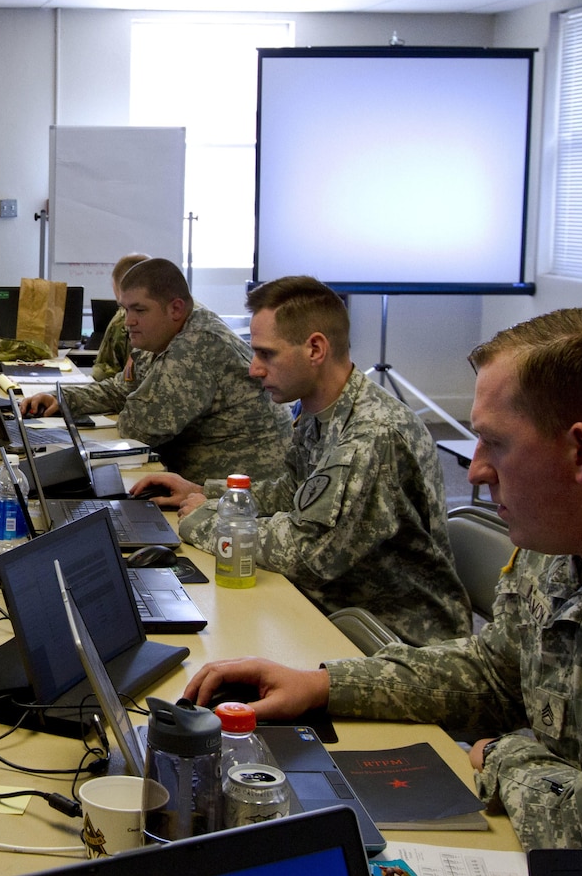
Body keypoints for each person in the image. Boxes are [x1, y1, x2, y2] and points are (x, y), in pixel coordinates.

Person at [182, 307, 582, 849]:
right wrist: (322, 685)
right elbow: (495, 672)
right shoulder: (563, 529)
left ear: (581, 452)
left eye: (497, 443)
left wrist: (504, 754)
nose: (474, 471)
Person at [133, 275, 467, 645]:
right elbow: (294, 492)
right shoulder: (321, 410)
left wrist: (203, 520)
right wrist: (211, 494)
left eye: (267, 354)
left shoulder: (372, 434)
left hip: (395, 639)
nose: (254, 369)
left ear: (315, 349)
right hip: (338, 608)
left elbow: (306, 554)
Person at [21, 258, 290, 484]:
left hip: (235, 497)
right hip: (192, 484)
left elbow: (140, 427)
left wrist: (134, 403)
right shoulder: (158, 335)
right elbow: (122, 388)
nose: (128, 321)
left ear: (175, 308)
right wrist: (63, 398)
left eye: (139, 310)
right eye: (125, 309)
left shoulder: (197, 345)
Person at [91, 252, 147, 382]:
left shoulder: (121, 320)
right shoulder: (191, 312)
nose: (129, 321)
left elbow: (104, 373)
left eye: (139, 309)